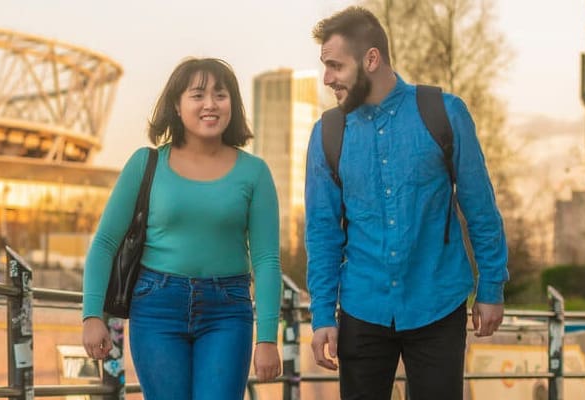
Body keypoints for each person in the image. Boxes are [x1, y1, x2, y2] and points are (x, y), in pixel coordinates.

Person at [302, 7, 510, 400]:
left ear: (371, 59)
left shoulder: (444, 113)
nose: (327, 78)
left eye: (335, 66)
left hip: (438, 301)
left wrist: (491, 287)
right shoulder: (327, 134)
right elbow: (322, 232)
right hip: (363, 308)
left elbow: (480, 207)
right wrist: (322, 314)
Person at [81, 57, 284, 399]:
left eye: (221, 95)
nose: (210, 104)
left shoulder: (255, 173)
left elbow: (266, 260)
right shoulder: (146, 164)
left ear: (232, 103)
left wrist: (266, 338)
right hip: (156, 308)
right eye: (198, 95)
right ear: (176, 105)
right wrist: (91, 315)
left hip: (228, 312)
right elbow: (104, 243)